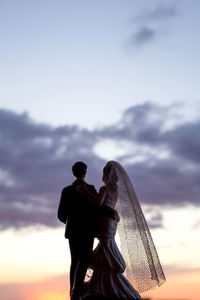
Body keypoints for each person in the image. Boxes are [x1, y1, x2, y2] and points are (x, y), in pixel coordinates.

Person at [76, 161, 166, 300]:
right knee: (106, 247)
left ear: (105, 176)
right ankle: (103, 284)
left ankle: (106, 287)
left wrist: (85, 192)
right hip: (111, 222)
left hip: (105, 221)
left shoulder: (104, 190)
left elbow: (98, 203)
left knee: (105, 248)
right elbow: (109, 206)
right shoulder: (115, 192)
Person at [57, 161, 119, 300]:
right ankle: (77, 291)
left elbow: (60, 214)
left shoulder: (66, 190)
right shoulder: (90, 188)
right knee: (84, 260)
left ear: (74, 172)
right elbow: (98, 207)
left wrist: (70, 222)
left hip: (72, 231)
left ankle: (72, 292)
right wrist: (112, 212)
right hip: (88, 230)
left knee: (74, 261)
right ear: (85, 172)